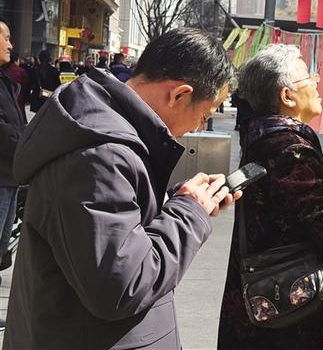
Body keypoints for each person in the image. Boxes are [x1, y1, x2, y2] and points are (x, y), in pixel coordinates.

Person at [5, 28, 240, 349]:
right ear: (179, 95)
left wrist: (177, 201)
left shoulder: (111, 133)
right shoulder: (101, 154)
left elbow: (119, 230)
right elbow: (120, 285)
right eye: (204, 115)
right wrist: (189, 213)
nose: (199, 127)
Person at [218, 44, 323, 349]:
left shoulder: (264, 137)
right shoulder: (290, 149)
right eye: (309, 77)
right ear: (287, 96)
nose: (317, 83)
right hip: (287, 312)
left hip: (264, 300)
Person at [0, 19, 26, 293]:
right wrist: (27, 145)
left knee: (2, 242)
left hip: (9, 176)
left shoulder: (6, 82)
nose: (10, 44)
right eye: (6, 38)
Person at [3, 50, 29, 121]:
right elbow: (25, 87)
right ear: (16, 60)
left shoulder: (3, 70)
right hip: (18, 101)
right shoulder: (21, 71)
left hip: (5, 102)